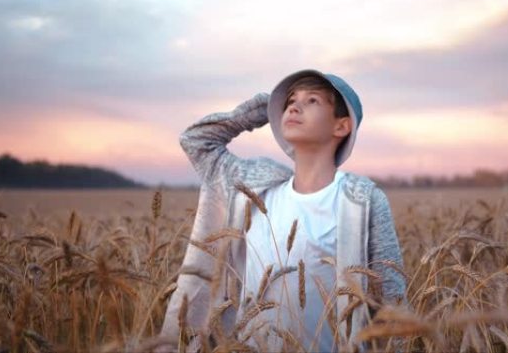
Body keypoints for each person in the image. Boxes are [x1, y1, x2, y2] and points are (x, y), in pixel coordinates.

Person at [158, 69, 407, 352]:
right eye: (289, 100)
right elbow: (195, 141)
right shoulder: (254, 188)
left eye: (312, 100)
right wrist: (261, 108)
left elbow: (393, 300)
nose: (293, 106)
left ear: (342, 126)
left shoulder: (361, 200)